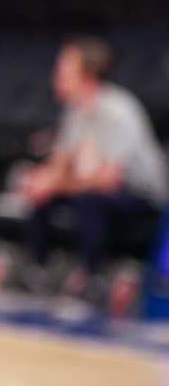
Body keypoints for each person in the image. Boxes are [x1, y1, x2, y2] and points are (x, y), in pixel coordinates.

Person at [18, 34, 169, 300]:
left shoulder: (119, 110)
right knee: (44, 196)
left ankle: (91, 278)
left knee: (88, 200)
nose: (57, 73)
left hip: (140, 197)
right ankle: (37, 271)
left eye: (64, 66)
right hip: (98, 189)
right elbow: (60, 164)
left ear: (88, 73)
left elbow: (109, 179)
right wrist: (40, 181)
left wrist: (56, 184)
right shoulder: (75, 112)